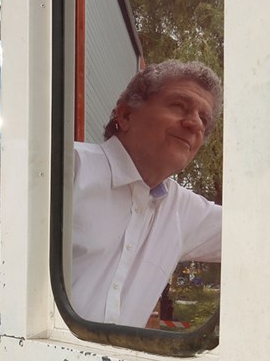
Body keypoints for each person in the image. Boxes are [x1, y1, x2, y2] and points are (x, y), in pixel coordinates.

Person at [70, 59, 222, 328]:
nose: (195, 125)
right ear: (126, 115)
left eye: (204, 119)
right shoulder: (66, 167)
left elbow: (258, 233)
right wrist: (7, 323)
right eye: (179, 106)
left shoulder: (183, 211)